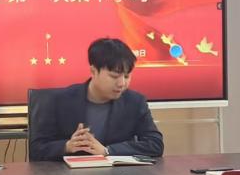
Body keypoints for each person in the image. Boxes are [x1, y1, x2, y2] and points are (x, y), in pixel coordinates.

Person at [29, 38, 165, 161]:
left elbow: (155, 144)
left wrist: (108, 151)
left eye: (127, 76)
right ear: (93, 71)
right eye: (114, 76)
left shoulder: (135, 102)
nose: (122, 83)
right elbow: (36, 149)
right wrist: (67, 146)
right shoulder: (60, 100)